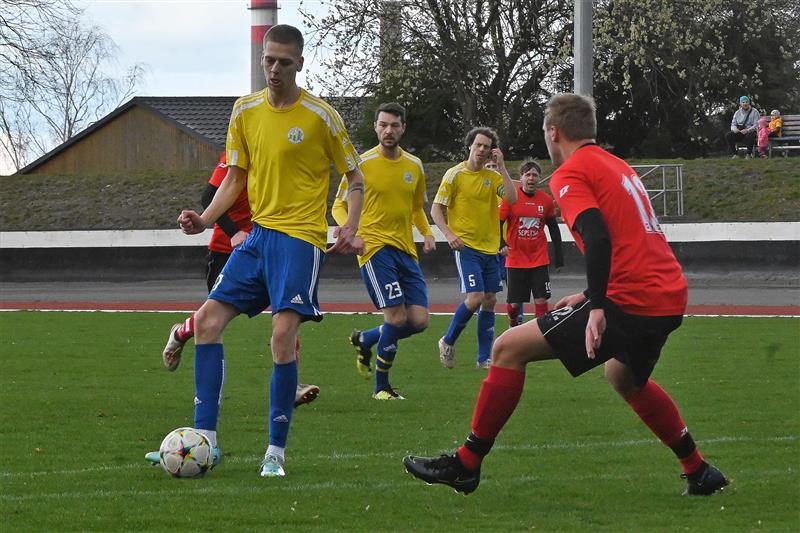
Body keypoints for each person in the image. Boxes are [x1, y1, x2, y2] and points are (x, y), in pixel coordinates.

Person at [403, 93, 728, 497]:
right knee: (624, 376)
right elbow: (630, 239)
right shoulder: (617, 166)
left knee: (506, 349)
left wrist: (600, 306)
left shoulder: (572, 173)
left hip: (633, 299)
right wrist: (591, 294)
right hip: (667, 295)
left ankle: (466, 465)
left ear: (553, 132)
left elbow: (597, 234)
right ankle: (699, 471)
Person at [175, 24, 365, 479]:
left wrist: (349, 225)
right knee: (205, 323)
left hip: (300, 239)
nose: (274, 69)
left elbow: (354, 177)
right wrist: (204, 221)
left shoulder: (321, 116)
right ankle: (207, 443)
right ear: (261, 60)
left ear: (300, 63)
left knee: (281, 335)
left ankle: (274, 453)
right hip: (258, 235)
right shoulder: (244, 111)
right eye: (268, 60)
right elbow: (235, 179)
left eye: (284, 61)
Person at [159, 152, 320, 408]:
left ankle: (290, 387)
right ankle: (181, 335)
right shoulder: (238, 150)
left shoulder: (285, 149)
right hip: (228, 249)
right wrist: (234, 232)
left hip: (270, 246)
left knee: (286, 315)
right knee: (210, 321)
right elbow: (208, 196)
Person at [332, 102, 436, 400]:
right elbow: (338, 206)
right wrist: (352, 233)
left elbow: (416, 207)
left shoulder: (414, 165)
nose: (388, 130)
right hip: (375, 249)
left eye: (394, 125)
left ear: (403, 128)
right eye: (383, 125)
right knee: (395, 319)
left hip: (406, 250)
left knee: (419, 321)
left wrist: (427, 232)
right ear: (376, 127)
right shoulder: (361, 165)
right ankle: (381, 388)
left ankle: (365, 339)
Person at [431, 127, 517, 369]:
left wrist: (502, 167)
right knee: (475, 297)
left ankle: (483, 358)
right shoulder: (454, 175)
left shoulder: (492, 177)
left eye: (486, 147)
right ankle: (447, 341)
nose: (481, 150)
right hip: (466, 247)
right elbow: (436, 209)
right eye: (478, 145)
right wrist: (448, 234)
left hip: (490, 249)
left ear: (492, 151)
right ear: (470, 146)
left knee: (489, 300)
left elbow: (512, 199)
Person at [499, 159, 564, 326]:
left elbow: (554, 229)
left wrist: (559, 256)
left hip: (539, 258)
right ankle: (513, 321)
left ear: (539, 179)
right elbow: (496, 224)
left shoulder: (546, 200)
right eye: (528, 174)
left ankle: (538, 334)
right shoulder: (510, 198)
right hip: (515, 259)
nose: (531, 178)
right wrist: (501, 243)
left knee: (541, 300)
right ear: (521, 178)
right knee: (514, 304)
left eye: (535, 175)